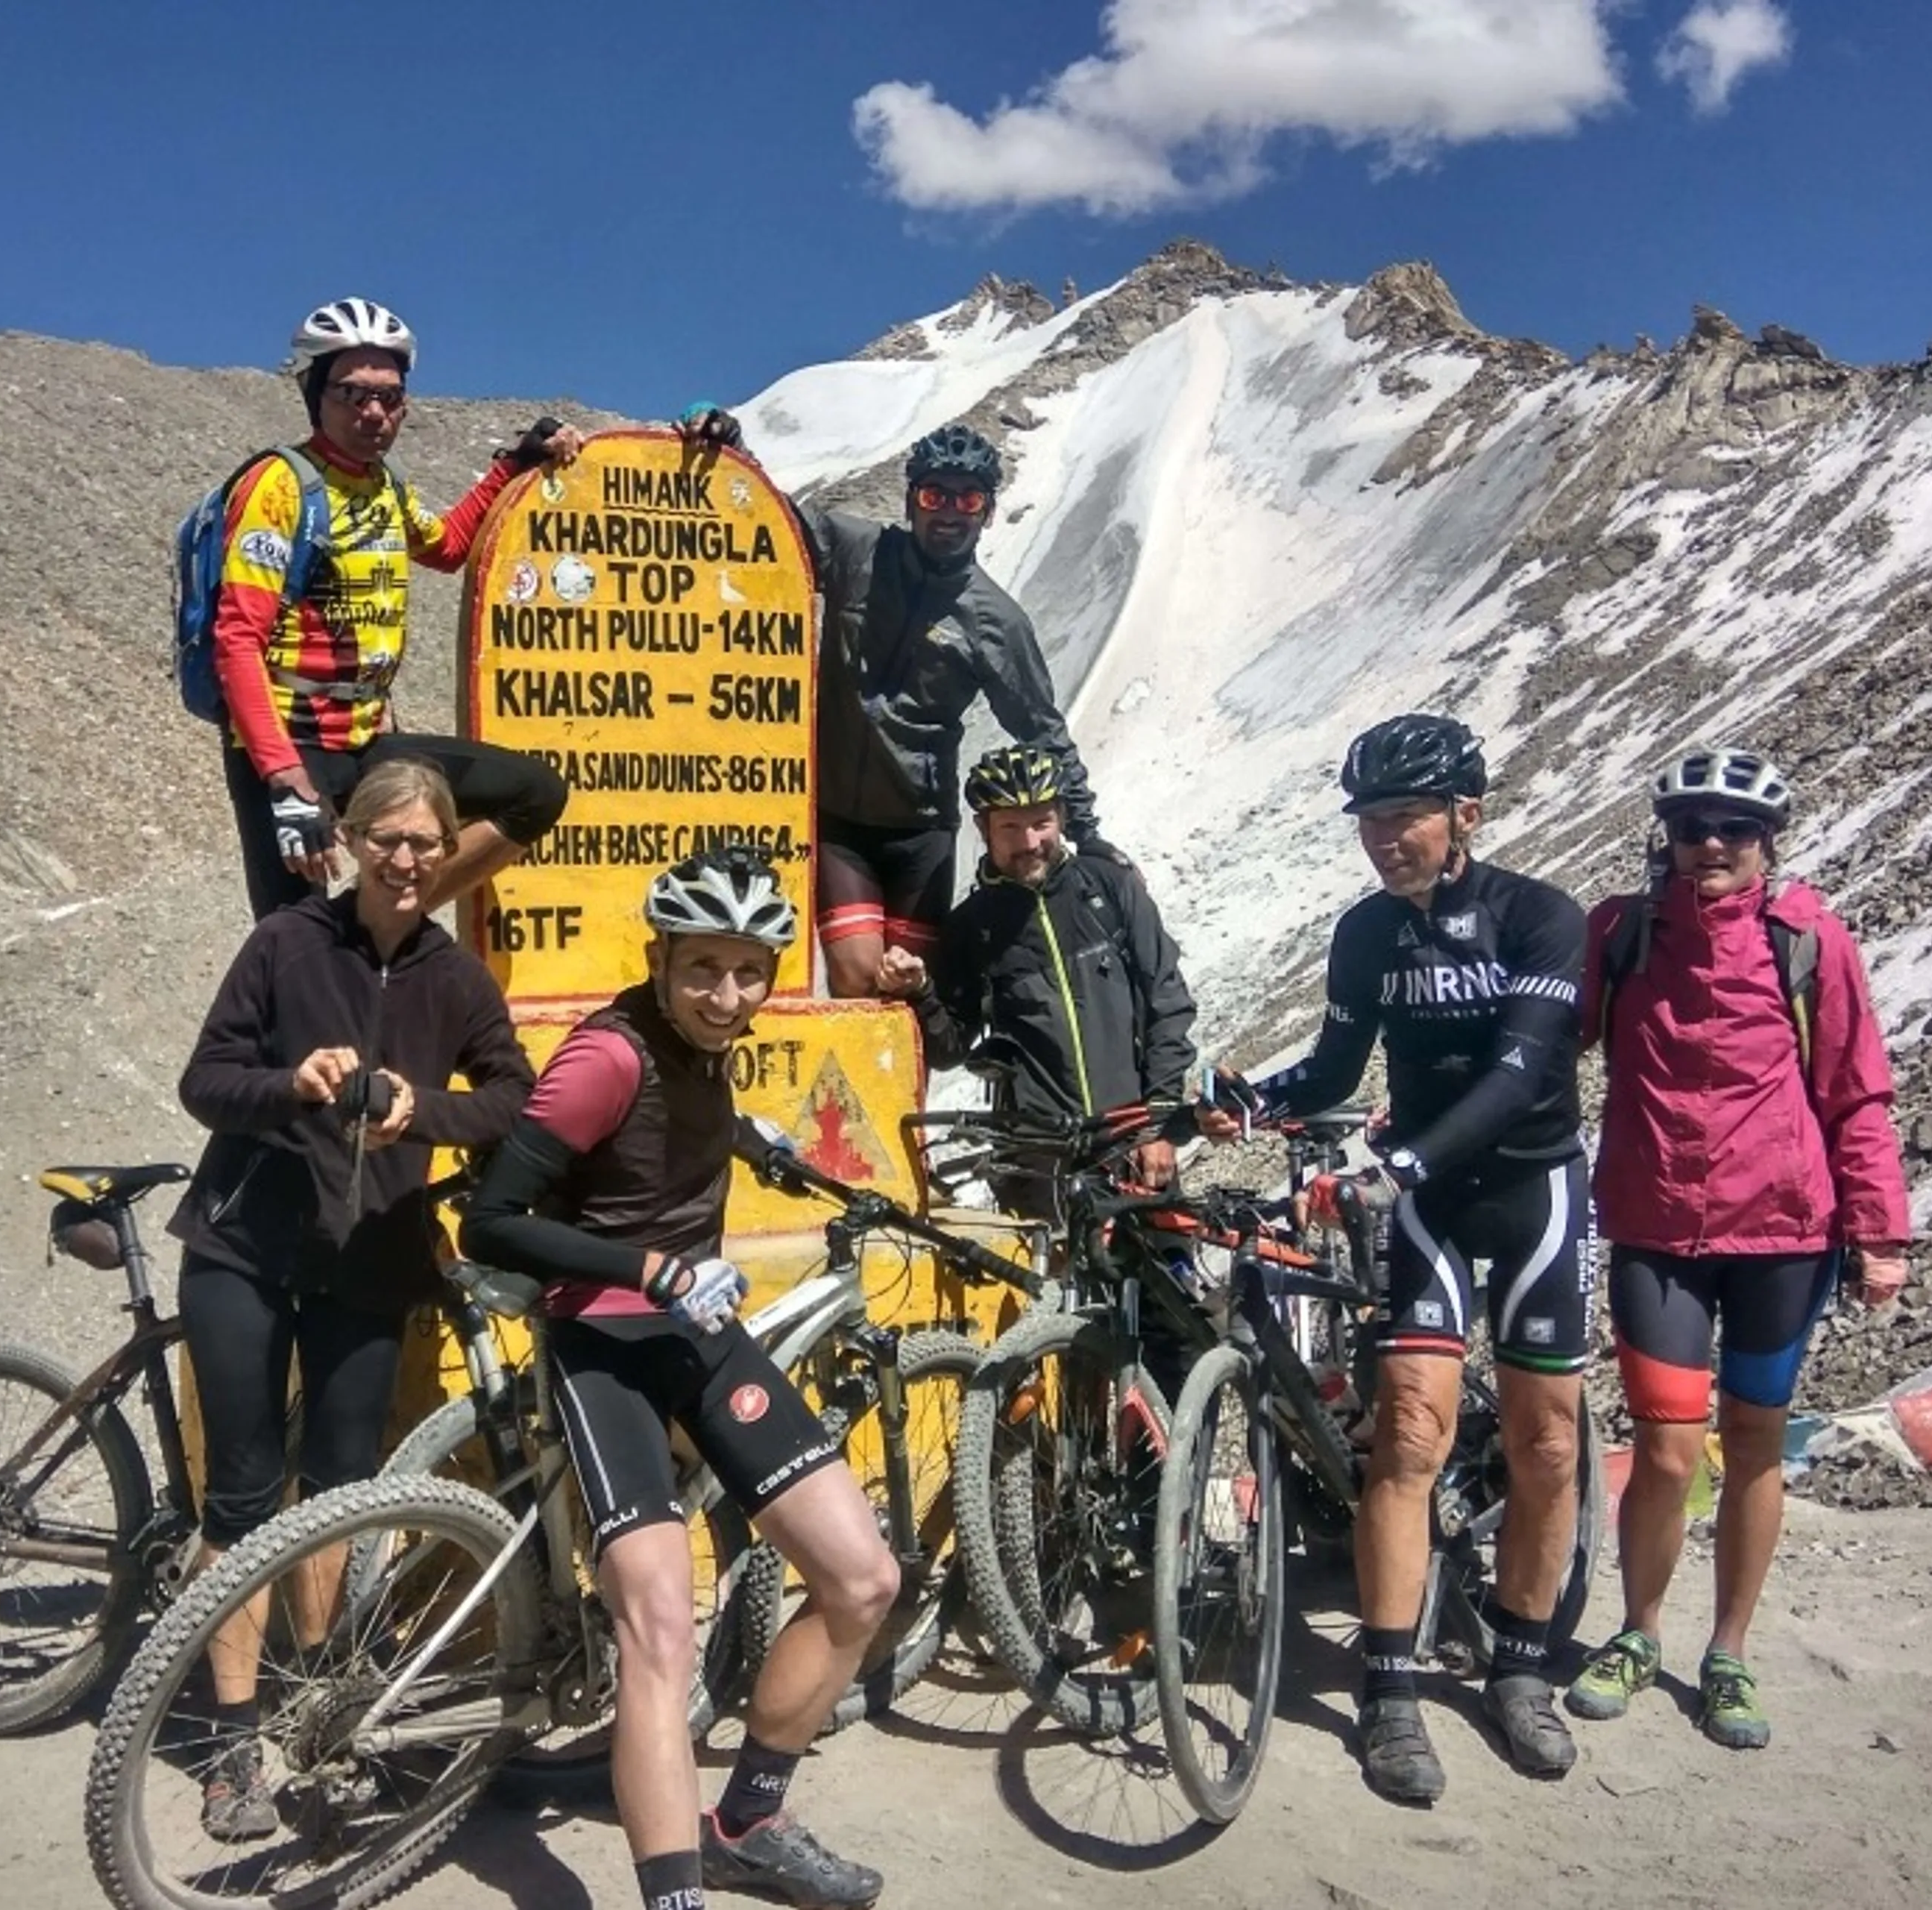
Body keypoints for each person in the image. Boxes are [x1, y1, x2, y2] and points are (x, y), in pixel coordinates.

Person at [462, 845, 896, 1910]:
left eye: (749, 972)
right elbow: (492, 1220)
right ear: (660, 957)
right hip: (604, 1340)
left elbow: (671, 1145)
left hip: (694, 1330)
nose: (727, 995)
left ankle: (746, 1819)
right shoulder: (605, 1058)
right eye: (703, 968)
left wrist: (760, 1147)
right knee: (661, 1626)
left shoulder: (711, 1047)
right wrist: (649, 1267)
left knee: (861, 1579)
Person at [1199, 713, 1593, 1803]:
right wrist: (1249, 1103)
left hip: (1532, 1191)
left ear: (1467, 811)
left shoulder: (1541, 918)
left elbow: (1518, 1076)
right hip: (1422, 1197)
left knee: (1545, 1443)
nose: (1384, 839)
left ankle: (1520, 1667)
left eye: (1405, 816)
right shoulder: (1368, 933)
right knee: (1408, 1433)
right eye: (1370, 821)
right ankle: (1389, 1688)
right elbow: (1334, 1066)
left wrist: (1400, 1162)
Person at [161, 757, 534, 1840]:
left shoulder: (456, 978)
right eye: (390, 840)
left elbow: (513, 1096)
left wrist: (425, 1112)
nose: (409, 861)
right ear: (355, 841)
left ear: (446, 847)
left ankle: (320, 1704)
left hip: (372, 1259)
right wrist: (292, 1085)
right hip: (243, 1249)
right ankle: (230, 1741)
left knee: (336, 1494)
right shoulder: (287, 943)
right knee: (239, 1500)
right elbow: (203, 1081)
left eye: (427, 842)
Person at [1564, 747, 1911, 1751]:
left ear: (1769, 842)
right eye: (1691, 827)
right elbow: (1556, 1042)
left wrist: (1879, 1232)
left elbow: (1855, 1089)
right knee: (1667, 1450)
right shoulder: (1620, 933)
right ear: (1663, 837)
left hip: (1784, 1235)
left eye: (1736, 830)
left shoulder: (1810, 940)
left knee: (1756, 1445)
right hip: (1655, 1230)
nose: (1711, 845)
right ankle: (1637, 1632)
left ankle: (1729, 1650)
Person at [677, 407, 1116, 999]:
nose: (949, 512)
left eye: (967, 500)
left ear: (986, 513)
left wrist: (1087, 835)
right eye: (936, 494)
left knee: (908, 991)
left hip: (922, 832)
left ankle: (901, 1097)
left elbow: (1040, 729)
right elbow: (773, 529)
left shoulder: (997, 620)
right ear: (912, 501)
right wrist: (733, 452)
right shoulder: (856, 549)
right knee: (860, 979)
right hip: (838, 823)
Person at [213, 296, 577, 918]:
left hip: (363, 743)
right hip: (287, 747)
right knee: (293, 944)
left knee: (535, 794)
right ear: (314, 392)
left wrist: (516, 463)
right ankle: (332, 955)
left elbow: (449, 546)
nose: (375, 412)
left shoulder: (383, 487)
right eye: (354, 394)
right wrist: (284, 778)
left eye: (390, 396)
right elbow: (236, 639)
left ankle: (379, 920)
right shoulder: (276, 487)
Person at [882, 743, 1195, 1212]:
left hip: (1131, 1139)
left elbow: (1167, 1004)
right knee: (1048, 1286)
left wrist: (1158, 1124)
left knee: (1165, 1277)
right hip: (1034, 1161)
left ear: (1062, 819)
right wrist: (922, 993)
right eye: (1010, 826)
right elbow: (949, 1050)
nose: (1028, 842)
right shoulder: (970, 927)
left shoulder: (1110, 888)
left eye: (1040, 822)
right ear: (983, 828)